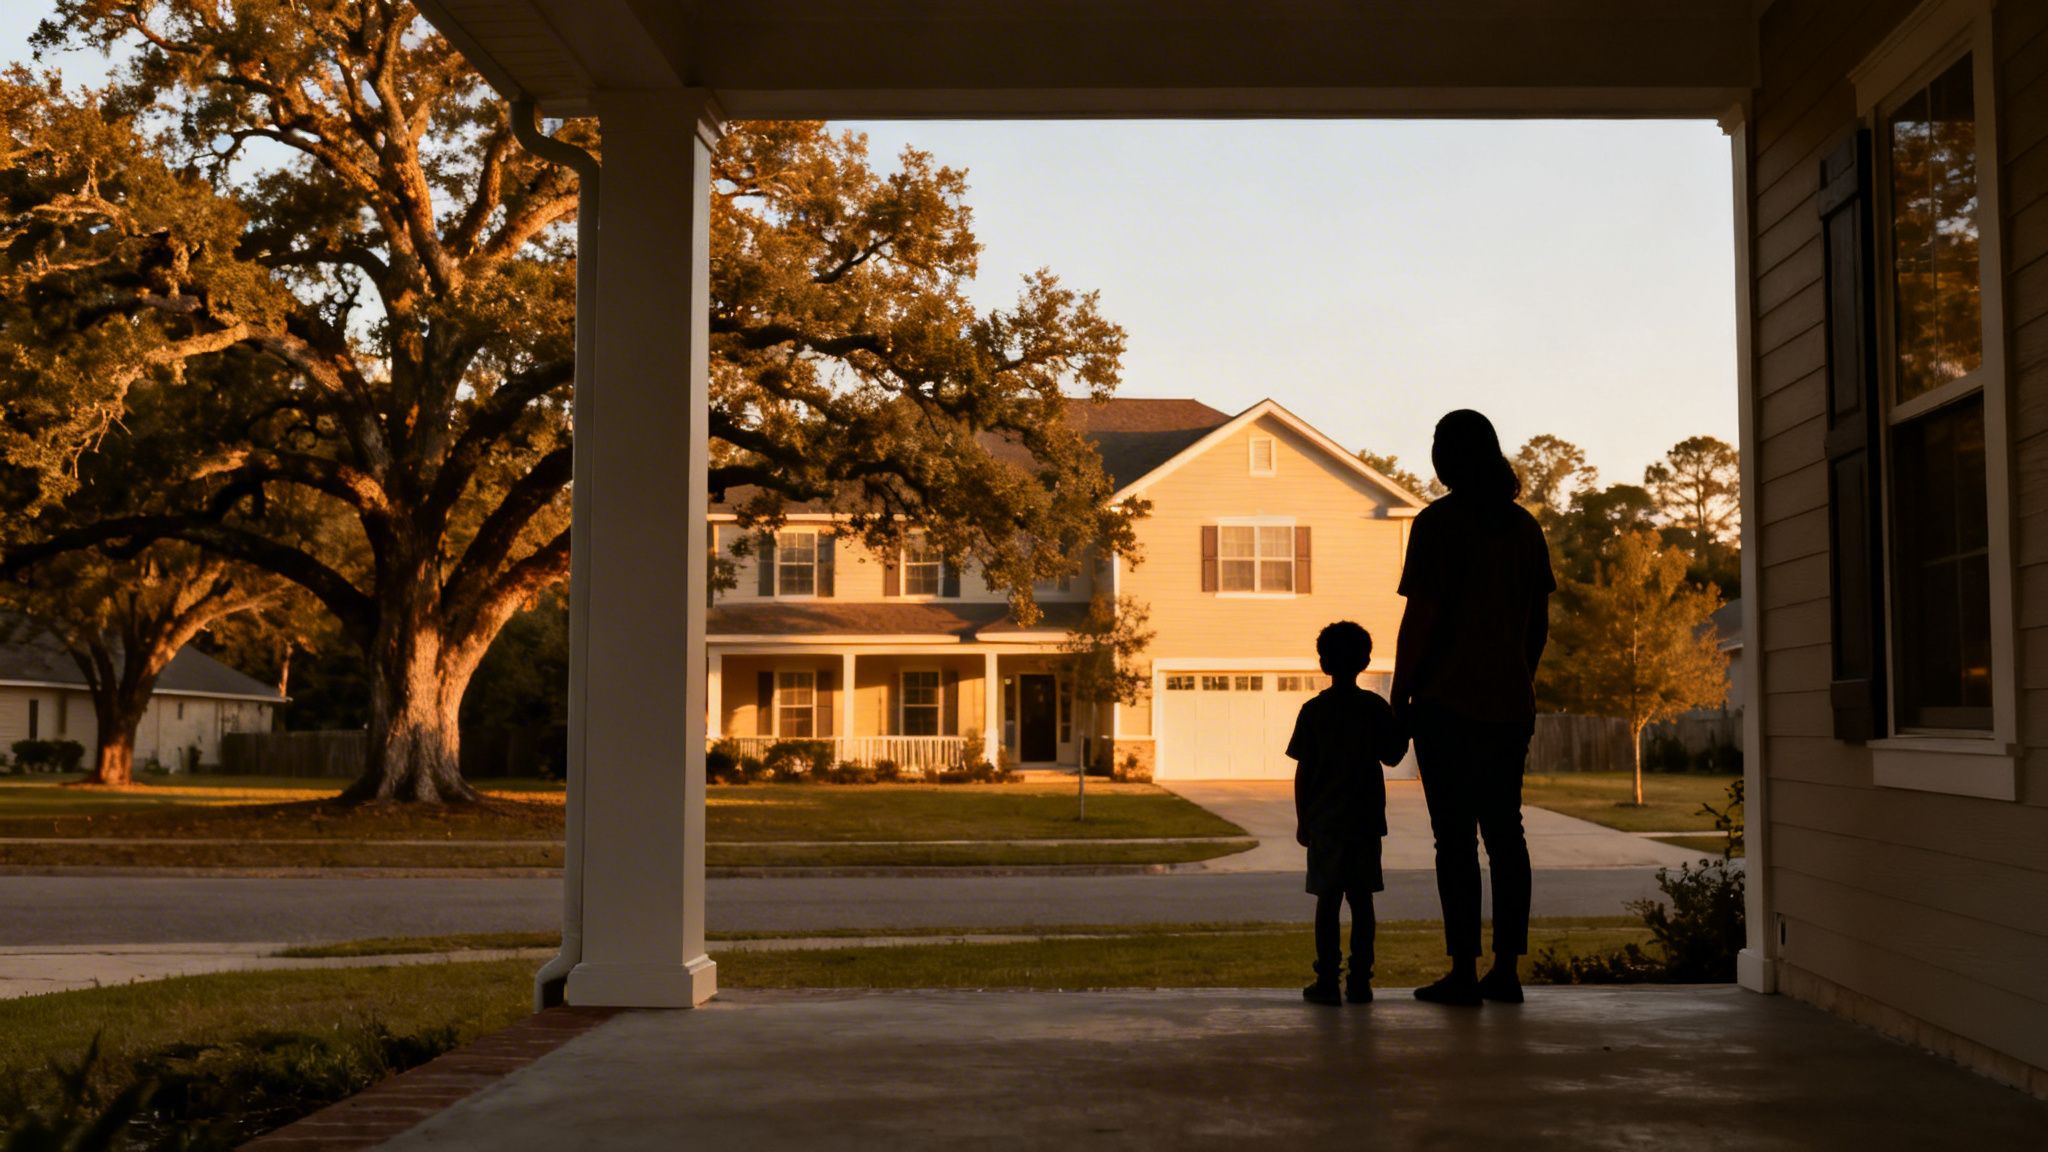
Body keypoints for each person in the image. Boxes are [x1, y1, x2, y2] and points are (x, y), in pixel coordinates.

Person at [1393, 409, 1555, 1008]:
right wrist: (1518, 679)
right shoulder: (1523, 529)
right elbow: (1537, 624)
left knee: (1454, 841)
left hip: (1445, 707)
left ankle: (1464, 970)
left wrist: (1400, 695)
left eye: (1438, 444)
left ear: (1450, 456)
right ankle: (1506, 971)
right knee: (1506, 836)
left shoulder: (1437, 525)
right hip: (1509, 707)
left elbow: (1422, 617)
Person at [1289, 620, 1409, 1006]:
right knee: (1362, 900)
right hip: (1364, 820)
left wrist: (1302, 818)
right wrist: (1405, 724)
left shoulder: (1314, 711)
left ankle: (1327, 980)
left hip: (1325, 821)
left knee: (1327, 901)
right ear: (1366, 661)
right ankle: (1360, 980)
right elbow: (1391, 757)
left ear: (1323, 662)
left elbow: (1303, 769)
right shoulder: (1373, 708)